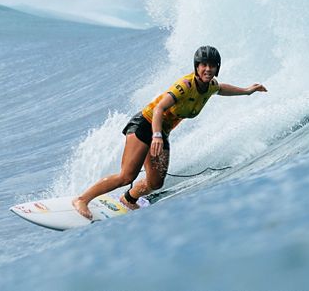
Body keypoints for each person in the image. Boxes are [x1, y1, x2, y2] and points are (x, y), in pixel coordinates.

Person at [72, 45, 266, 220]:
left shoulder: (210, 86)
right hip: (145, 124)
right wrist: (156, 135)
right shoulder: (185, 86)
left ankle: (128, 199)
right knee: (126, 176)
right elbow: (159, 109)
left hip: (161, 132)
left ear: (217, 67)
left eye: (212, 65)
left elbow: (222, 89)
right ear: (197, 66)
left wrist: (248, 91)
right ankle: (82, 199)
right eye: (203, 65)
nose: (208, 69)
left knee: (155, 183)